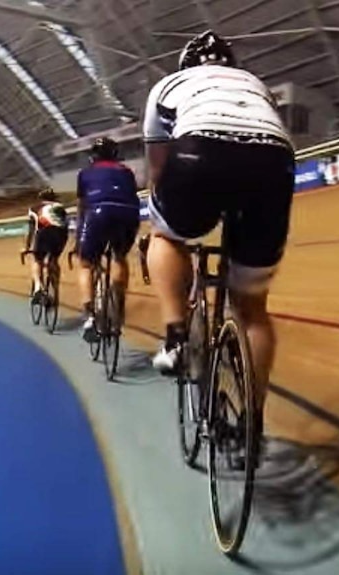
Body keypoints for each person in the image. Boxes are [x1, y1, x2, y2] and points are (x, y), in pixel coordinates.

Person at [142, 30, 295, 427]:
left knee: (164, 234)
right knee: (253, 310)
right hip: (272, 163)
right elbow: (267, 138)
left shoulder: (169, 84)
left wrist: (170, 210)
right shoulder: (255, 84)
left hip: (199, 152)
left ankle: (177, 340)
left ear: (185, 65)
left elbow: (157, 168)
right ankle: (250, 420)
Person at [75, 137, 141, 342]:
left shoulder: (85, 174)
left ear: (92, 155)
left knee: (86, 264)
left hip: (98, 212)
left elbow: (82, 208)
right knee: (120, 257)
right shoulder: (126, 171)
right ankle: (118, 305)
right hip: (128, 214)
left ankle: (89, 317)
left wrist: (79, 239)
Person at [22, 186, 69, 302]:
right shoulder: (61, 207)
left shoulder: (34, 208)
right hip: (61, 235)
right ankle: (55, 288)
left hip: (44, 232)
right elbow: (65, 225)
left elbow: (31, 230)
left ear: (40, 198)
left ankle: (38, 288)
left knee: (37, 260)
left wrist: (26, 247)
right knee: (53, 259)